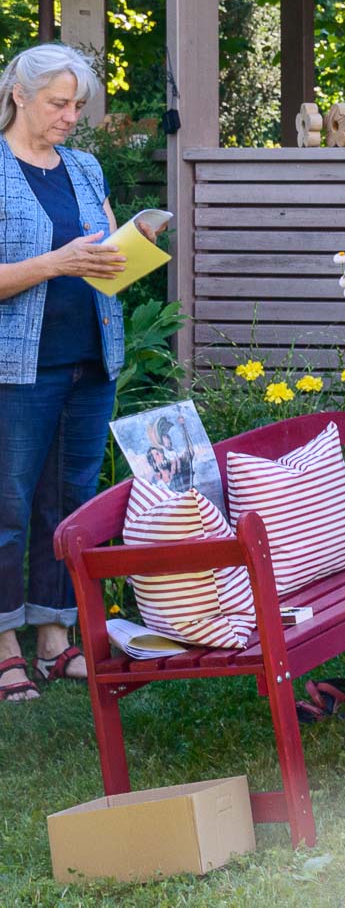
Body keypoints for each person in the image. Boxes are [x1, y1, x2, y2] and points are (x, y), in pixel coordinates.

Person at [0, 43, 126, 701]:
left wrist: (124, 253)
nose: (72, 116)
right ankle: (4, 646)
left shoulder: (84, 166)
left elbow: (102, 253)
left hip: (90, 360)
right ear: (19, 95)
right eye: (59, 103)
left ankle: (54, 636)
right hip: (17, 371)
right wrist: (57, 262)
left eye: (78, 104)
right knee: (8, 507)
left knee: (68, 503)